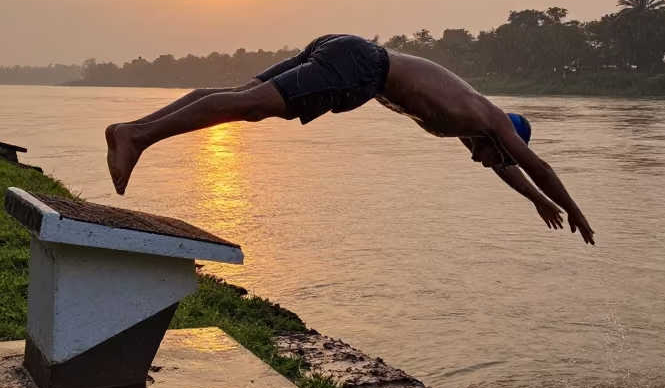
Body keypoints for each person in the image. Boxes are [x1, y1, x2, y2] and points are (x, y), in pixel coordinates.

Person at [105, 33, 594, 243]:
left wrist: (534, 203)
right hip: (361, 68)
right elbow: (537, 166)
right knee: (250, 106)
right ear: (506, 141)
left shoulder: (477, 129)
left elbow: (511, 172)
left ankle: (136, 133)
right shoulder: (492, 122)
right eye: (489, 158)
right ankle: (137, 136)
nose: (479, 161)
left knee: (242, 98)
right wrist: (573, 210)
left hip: (348, 50)